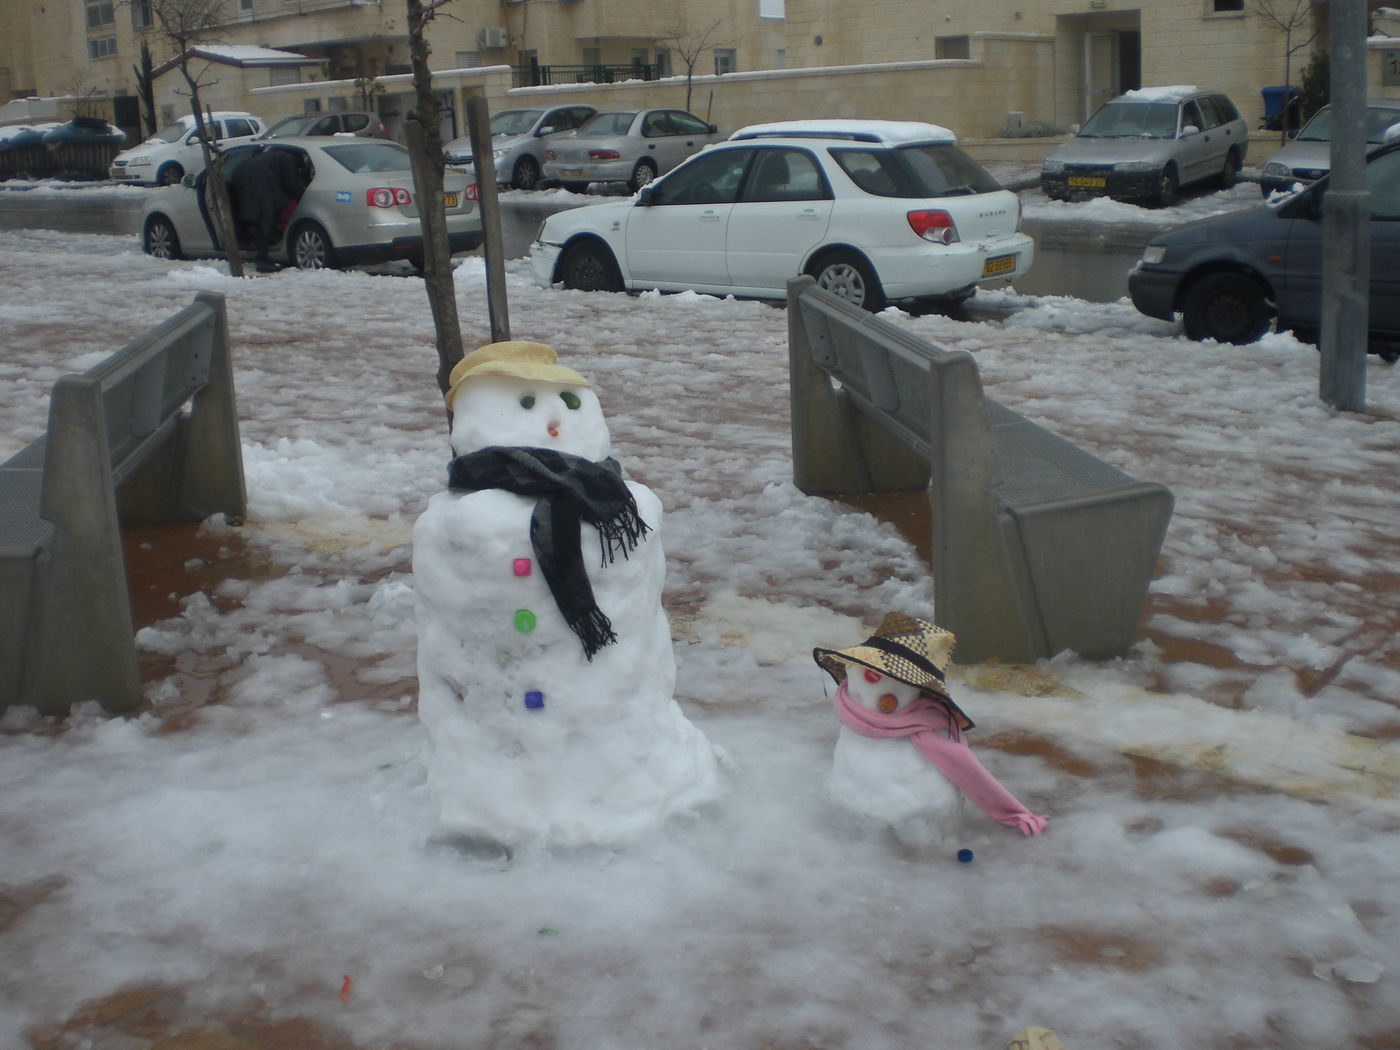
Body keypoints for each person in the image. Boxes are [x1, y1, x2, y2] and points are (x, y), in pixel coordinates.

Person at [230, 146, 308, 272]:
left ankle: (251, 242)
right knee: (264, 217)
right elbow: (291, 183)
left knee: (253, 214)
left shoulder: (272, 157)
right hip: (260, 182)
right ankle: (262, 260)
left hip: (241, 174)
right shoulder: (289, 159)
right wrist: (303, 198)